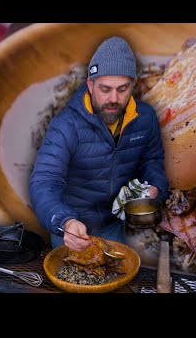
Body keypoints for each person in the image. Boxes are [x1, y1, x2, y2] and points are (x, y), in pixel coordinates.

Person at [30, 36, 169, 251]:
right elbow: (43, 182)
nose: (114, 98)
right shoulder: (66, 125)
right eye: (105, 89)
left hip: (112, 225)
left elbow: (152, 160)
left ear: (133, 85)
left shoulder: (146, 117)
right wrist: (64, 222)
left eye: (122, 89)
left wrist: (155, 187)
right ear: (90, 85)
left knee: (118, 279)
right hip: (72, 226)